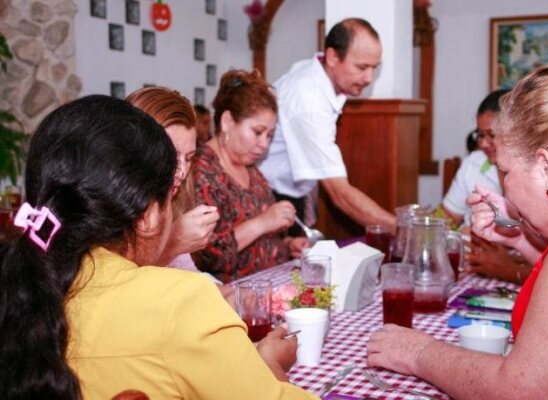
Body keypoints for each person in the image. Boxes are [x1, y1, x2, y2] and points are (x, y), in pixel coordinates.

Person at [367, 37, 548, 398]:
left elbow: (529, 393)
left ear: (546, 169)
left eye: (505, 171)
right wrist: (519, 238)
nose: (506, 190)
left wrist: (418, 352)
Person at [0, 95, 316, 399]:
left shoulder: (21, 287)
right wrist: (271, 364)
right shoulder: (180, 302)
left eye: (189, 159)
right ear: (150, 215)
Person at [258, 18, 396, 235]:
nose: (369, 78)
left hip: (290, 192)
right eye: (362, 67)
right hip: (267, 197)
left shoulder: (317, 72)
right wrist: (405, 229)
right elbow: (341, 195)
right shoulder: (308, 100)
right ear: (332, 57)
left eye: (374, 68)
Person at [193, 69, 309, 283]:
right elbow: (207, 257)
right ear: (227, 121)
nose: (264, 144)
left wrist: (287, 244)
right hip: (230, 300)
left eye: (270, 135)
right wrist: (263, 222)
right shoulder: (202, 171)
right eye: (257, 132)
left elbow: (260, 241)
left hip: (271, 285)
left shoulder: (251, 168)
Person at [125, 87, 219, 272]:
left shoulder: (171, 202)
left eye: (189, 158)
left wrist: (226, 292)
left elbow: (188, 275)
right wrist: (173, 243)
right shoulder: (105, 206)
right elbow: (117, 291)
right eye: (171, 156)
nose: (182, 172)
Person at [442, 89, 510, 227]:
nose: (484, 144)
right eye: (480, 135)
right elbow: (448, 217)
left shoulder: (535, 174)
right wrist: (420, 223)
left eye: (491, 135)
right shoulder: (474, 163)